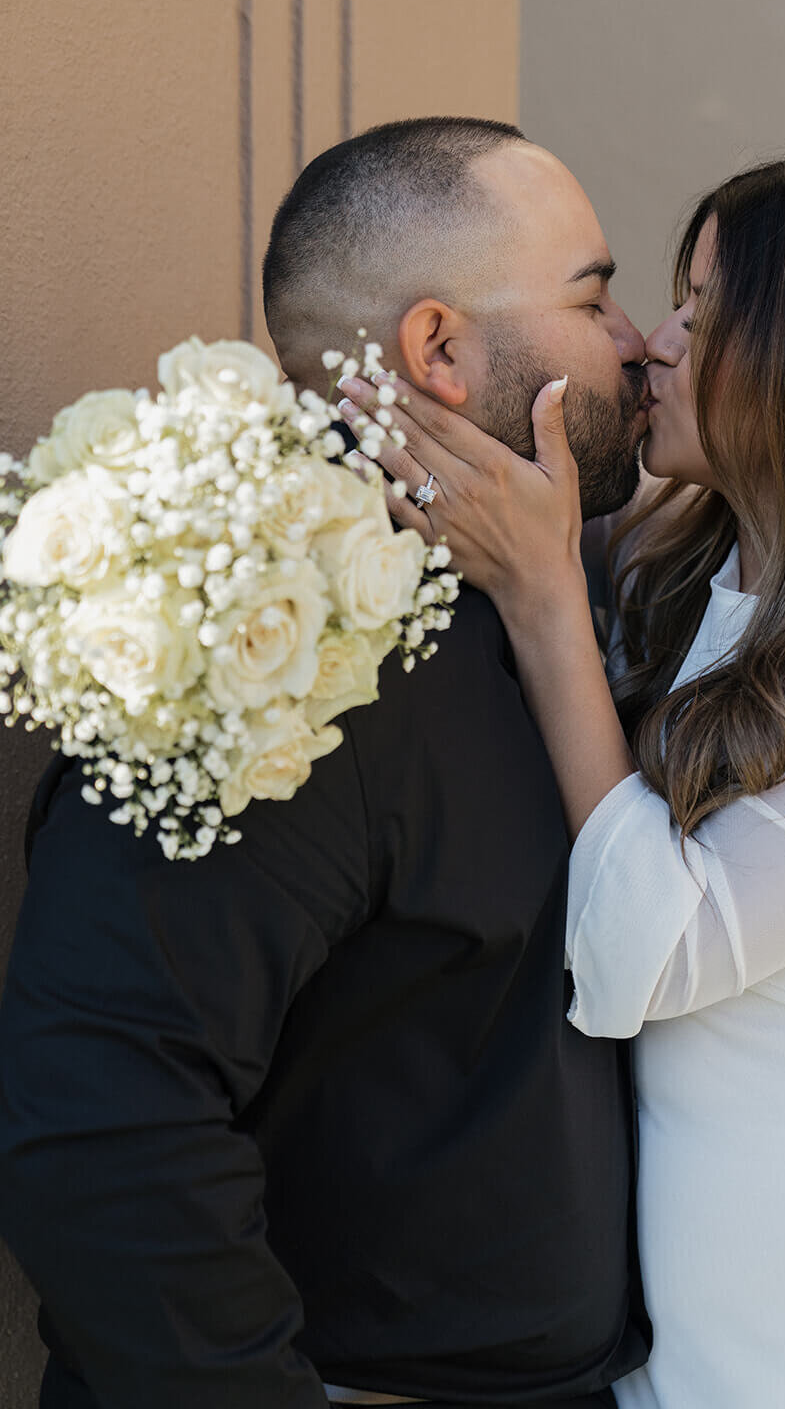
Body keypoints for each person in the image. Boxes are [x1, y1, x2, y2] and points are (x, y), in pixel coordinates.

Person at [339, 154, 785, 1409]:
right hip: (657, 1326)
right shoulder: (680, 585)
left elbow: (646, 962)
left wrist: (544, 603)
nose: (654, 344)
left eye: (704, 312)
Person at [0, 117, 653, 1409]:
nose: (632, 339)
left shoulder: (542, 602)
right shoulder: (268, 649)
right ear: (438, 349)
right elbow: (102, 1111)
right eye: (593, 298)